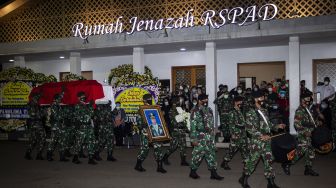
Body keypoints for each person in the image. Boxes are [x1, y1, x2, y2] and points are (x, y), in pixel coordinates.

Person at [239, 91, 285, 188]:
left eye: (263, 97)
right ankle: (244, 179)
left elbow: (268, 125)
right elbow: (250, 128)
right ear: (255, 99)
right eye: (261, 98)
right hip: (257, 142)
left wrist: (277, 126)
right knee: (252, 161)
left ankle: (271, 182)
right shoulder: (250, 112)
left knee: (269, 161)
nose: (263, 99)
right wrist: (261, 135)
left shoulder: (264, 110)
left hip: (267, 140)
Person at [282, 93, 321, 176]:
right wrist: (305, 132)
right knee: (300, 151)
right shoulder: (300, 110)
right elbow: (297, 124)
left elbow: (311, 122)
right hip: (303, 134)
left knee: (310, 151)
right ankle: (287, 163)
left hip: (310, 134)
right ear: (302, 100)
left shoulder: (307, 109)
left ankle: (308, 169)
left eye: (309, 98)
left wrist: (317, 123)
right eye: (307, 98)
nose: (309, 100)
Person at [189, 94, 223, 180]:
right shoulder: (194, 110)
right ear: (199, 101)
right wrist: (193, 139)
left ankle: (213, 173)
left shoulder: (209, 110)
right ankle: (193, 171)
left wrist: (213, 136)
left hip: (209, 136)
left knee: (211, 154)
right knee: (197, 154)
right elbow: (192, 126)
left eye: (207, 100)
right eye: (204, 100)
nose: (206, 101)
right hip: (199, 136)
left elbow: (211, 123)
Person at [134, 94, 167, 173]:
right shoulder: (140, 110)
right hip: (145, 133)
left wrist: (161, 115)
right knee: (144, 150)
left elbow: (158, 119)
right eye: (148, 99)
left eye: (150, 98)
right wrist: (142, 125)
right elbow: (138, 123)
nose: (149, 100)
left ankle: (160, 167)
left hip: (155, 132)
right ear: (144, 100)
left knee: (158, 149)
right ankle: (138, 165)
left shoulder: (154, 108)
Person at [221, 96, 248, 170]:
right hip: (236, 133)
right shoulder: (232, 111)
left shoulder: (241, 111)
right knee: (232, 150)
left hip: (243, 133)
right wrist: (232, 133)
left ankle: (247, 164)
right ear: (236, 102)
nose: (241, 103)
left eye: (242, 101)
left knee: (245, 149)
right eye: (240, 101)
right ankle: (225, 162)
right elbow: (231, 123)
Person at [72, 91, 97, 165]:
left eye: (84, 96)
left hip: (88, 126)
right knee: (79, 142)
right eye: (82, 96)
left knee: (91, 141)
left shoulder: (86, 105)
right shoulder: (77, 105)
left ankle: (91, 158)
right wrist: (90, 106)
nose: (84, 97)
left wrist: (91, 106)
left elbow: (92, 115)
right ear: (78, 98)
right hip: (82, 126)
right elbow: (86, 114)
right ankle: (75, 157)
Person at [163, 97, 189, 166]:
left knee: (183, 145)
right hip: (176, 130)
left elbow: (184, 119)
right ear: (175, 102)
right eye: (179, 101)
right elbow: (175, 121)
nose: (180, 102)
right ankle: (164, 158)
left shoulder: (179, 109)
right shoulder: (172, 110)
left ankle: (183, 161)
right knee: (173, 146)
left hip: (182, 130)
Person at [47, 87, 69, 162]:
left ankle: (61, 156)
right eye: (59, 98)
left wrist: (62, 92)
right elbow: (57, 116)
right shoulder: (54, 105)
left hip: (58, 126)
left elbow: (60, 96)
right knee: (55, 141)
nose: (61, 99)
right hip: (56, 126)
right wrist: (64, 113)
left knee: (59, 141)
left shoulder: (57, 105)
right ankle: (50, 155)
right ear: (56, 99)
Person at [24, 92, 46, 160]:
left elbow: (39, 95)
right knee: (38, 139)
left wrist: (42, 92)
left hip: (36, 124)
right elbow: (36, 116)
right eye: (37, 98)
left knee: (36, 140)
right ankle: (31, 154)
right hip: (35, 124)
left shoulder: (35, 104)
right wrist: (43, 112)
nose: (38, 99)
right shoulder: (31, 105)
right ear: (33, 98)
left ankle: (35, 154)